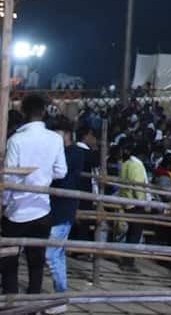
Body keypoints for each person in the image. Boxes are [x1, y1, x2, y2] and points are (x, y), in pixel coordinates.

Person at [2, 94, 67, 297]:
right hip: (42, 209)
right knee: (36, 261)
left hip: (17, 210)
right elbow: (61, 171)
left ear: (23, 112)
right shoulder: (55, 139)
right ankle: (33, 302)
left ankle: (12, 302)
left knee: (10, 261)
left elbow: (10, 177)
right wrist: (43, 175)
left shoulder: (16, 140)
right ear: (45, 112)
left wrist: (3, 203)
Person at [46, 118, 86, 306]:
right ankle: (60, 296)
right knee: (57, 254)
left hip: (64, 209)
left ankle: (60, 298)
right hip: (54, 208)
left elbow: (60, 177)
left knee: (52, 254)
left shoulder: (75, 153)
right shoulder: (60, 151)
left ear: (66, 134)